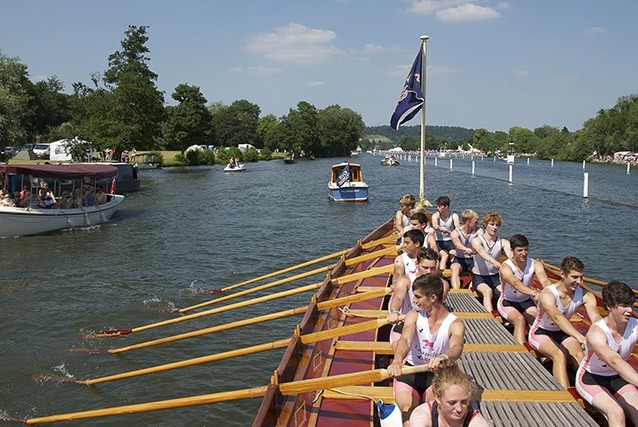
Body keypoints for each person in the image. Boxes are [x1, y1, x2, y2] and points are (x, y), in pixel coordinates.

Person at [388, 274, 465, 425]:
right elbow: (405, 339)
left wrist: (444, 356)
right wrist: (397, 361)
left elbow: (457, 347)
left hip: (437, 374)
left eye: (418, 296)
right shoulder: (413, 315)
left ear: (433, 297)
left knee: (431, 410)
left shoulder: (455, 323)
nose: (414, 301)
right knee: (407, 410)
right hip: (410, 371)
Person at [528, 256, 602, 389]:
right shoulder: (548, 294)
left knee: (580, 355)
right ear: (562, 274)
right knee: (559, 355)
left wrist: (603, 333)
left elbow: (596, 317)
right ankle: (566, 399)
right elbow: (557, 317)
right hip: (541, 332)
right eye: (574, 277)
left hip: (563, 333)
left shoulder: (587, 296)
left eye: (581, 277)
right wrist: (580, 337)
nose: (579, 281)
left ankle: (590, 392)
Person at [575, 281, 638, 427]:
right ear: (609, 306)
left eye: (631, 305)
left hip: (618, 377)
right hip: (591, 379)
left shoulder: (635, 326)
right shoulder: (596, 333)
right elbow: (614, 361)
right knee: (616, 412)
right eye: (623, 305)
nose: (629, 310)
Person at [389, 247, 450, 345]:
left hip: (430, 325)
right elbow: (398, 299)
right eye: (425, 268)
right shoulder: (405, 280)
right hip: (406, 322)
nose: (429, 272)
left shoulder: (443, 285)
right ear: (416, 264)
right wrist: (394, 312)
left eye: (433, 268)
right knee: (399, 349)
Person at [497, 234, 551, 344]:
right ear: (512, 251)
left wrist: (551, 292)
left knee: (536, 320)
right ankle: (520, 354)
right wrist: (533, 292)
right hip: (507, 302)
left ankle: (540, 351)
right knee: (519, 320)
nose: (524, 253)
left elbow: (544, 281)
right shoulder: (505, 266)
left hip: (526, 301)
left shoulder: (535, 264)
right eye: (520, 250)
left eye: (526, 250)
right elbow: (516, 283)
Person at [409, 359, 489, 427]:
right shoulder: (421, 415)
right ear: (438, 398)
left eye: (464, 402)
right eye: (452, 403)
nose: (459, 409)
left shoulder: (477, 422)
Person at [470, 212, 512, 312]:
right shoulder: (477, 241)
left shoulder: (503, 242)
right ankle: (490, 319)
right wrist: (493, 261)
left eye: (497, 225)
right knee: (488, 291)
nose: (495, 227)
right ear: (485, 225)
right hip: (479, 277)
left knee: (503, 293)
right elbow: (481, 251)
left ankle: (506, 314)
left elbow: (511, 256)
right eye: (492, 224)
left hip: (494, 277)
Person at [449, 209, 479, 290]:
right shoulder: (455, 232)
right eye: (475, 222)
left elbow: (481, 240)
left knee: (478, 271)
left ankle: (470, 291)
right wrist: (466, 249)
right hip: (460, 259)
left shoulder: (478, 231)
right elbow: (457, 244)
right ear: (468, 222)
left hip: (473, 259)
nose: (477, 224)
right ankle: (457, 291)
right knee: (455, 269)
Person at [431, 196, 460, 272]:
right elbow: (435, 224)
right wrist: (440, 228)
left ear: (446, 207)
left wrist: (454, 231)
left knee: (453, 254)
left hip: (450, 241)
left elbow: (457, 227)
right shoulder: (436, 215)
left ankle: (454, 273)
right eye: (437, 206)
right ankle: (442, 275)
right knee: (445, 255)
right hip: (439, 242)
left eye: (440, 206)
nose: (437, 208)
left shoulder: (454, 216)